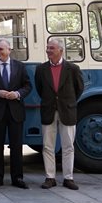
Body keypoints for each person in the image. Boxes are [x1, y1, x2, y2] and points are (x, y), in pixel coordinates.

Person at [0, 38, 32, 189]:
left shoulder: (20, 66)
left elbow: (28, 86)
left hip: (16, 111)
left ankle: (17, 178)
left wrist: (17, 94)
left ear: (9, 50)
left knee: (17, 146)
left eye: (1, 49)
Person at [36, 37, 85, 190]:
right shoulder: (41, 69)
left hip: (67, 111)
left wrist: (67, 103)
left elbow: (79, 89)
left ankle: (68, 178)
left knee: (68, 146)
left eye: (52, 48)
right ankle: (50, 177)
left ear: (60, 51)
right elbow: (40, 89)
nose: (48, 51)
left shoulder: (73, 69)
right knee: (48, 146)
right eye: (48, 48)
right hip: (48, 110)